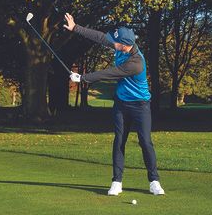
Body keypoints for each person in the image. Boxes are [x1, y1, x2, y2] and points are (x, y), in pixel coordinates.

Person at [64, 13, 165, 196]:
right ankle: (116, 182)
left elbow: (112, 73)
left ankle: (154, 181)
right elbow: (100, 37)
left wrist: (83, 78)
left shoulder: (136, 63)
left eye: (116, 43)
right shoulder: (121, 46)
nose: (113, 44)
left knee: (145, 142)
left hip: (140, 105)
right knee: (119, 140)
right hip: (121, 104)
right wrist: (76, 28)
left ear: (126, 45)